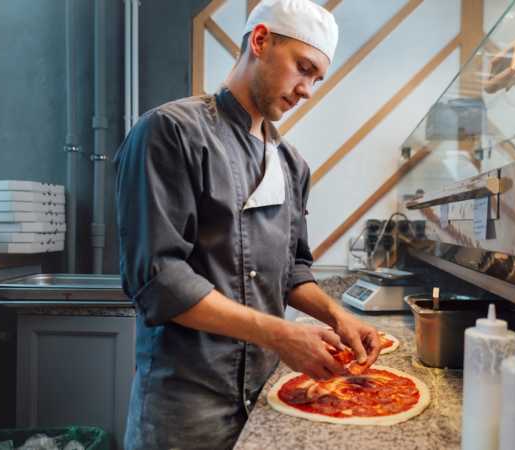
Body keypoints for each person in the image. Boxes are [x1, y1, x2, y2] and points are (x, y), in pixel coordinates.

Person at [114, 1, 381, 448]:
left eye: (317, 78)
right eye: (303, 67)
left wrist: (339, 315)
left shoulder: (292, 164)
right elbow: (159, 281)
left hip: (264, 393)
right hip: (186, 405)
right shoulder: (170, 132)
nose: (307, 90)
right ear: (260, 41)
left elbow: (292, 271)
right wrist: (281, 334)